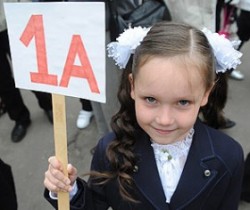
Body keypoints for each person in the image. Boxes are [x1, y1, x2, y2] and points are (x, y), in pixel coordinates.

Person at [43, 22, 244, 210]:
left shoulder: (229, 156)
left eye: (182, 102)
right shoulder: (110, 150)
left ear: (206, 93)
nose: (164, 119)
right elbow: (94, 204)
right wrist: (68, 190)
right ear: (132, 86)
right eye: (150, 99)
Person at [0, 0, 53, 143]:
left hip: (12, 16)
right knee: (3, 81)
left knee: (30, 68)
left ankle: (48, 104)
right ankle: (20, 118)